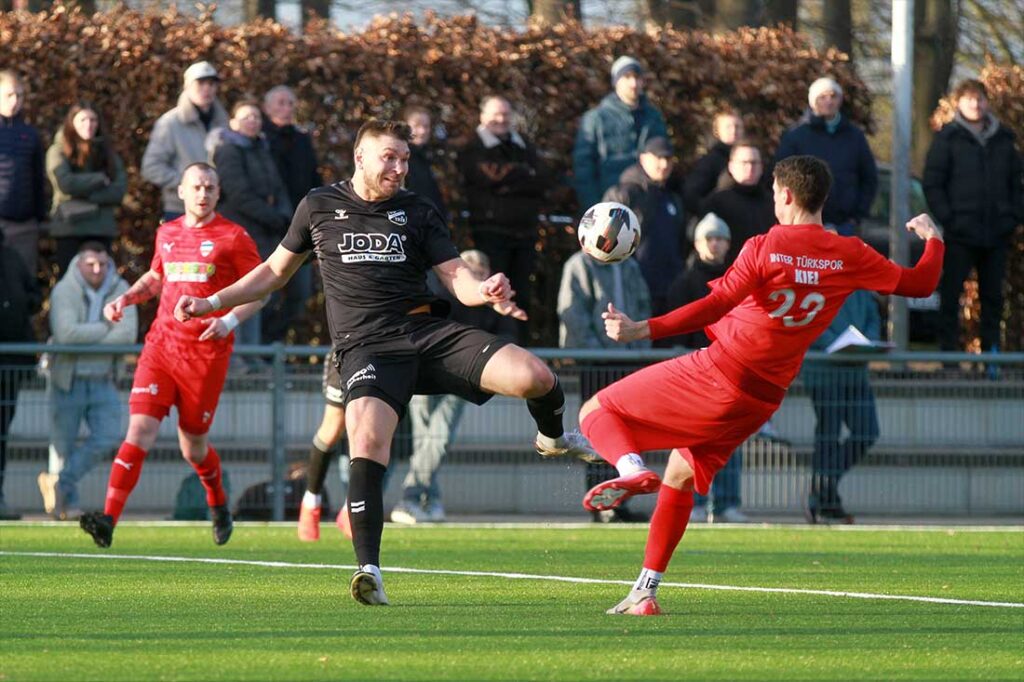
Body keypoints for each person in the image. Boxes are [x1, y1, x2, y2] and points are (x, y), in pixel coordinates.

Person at [174, 119, 596, 606]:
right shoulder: (318, 206)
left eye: (405, 159)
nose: (399, 167)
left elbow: (455, 275)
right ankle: (369, 570)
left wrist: (482, 292)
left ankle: (553, 438)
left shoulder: (417, 210)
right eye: (389, 158)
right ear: (360, 158)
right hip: (367, 348)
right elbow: (272, 272)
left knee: (535, 376)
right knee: (367, 440)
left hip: (426, 333)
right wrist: (211, 303)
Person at [579, 156, 944, 616]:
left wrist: (641, 330)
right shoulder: (847, 252)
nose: (772, 197)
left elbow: (714, 306)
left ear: (787, 195)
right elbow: (921, 282)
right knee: (679, 473)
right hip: (762, 398)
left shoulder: (765, 246)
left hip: (720, 370)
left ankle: (630, 468)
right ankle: (644, 592)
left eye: (774, 190)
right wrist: (933, 240)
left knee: (594, 410)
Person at [78, 163, 264, 548]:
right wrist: (125, 298)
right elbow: (157, 277)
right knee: (139, 429)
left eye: (211, 187)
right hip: (161, 347)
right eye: (197, 186)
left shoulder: (233, 237)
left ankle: (218, 504)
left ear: (218, 192)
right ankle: (109, 518)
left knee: (192, 446)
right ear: (181, 190)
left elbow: (260, 290)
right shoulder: (167, 232)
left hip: (205, 355)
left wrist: (228, 321)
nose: (203, 193)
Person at [392, 249, 504, 524]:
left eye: (481, 270)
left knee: (439, 438)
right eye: (470, 269)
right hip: (426, 369)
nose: (476, 274)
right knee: (424, 440)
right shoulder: (441, 295)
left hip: (462, 377)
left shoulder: (495, 303)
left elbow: (506, 336)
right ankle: (429, 500)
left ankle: (410, 496)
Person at [923, 78, 1023, 355]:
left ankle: (991, 360)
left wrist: (1012, 218)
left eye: (980, 99)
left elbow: (1018, 183)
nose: (976, 104)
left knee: (993, 299)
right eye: (970, 99)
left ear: (987, 102)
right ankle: (949, 358)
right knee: (951, 296)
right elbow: (932, 183)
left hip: (997, 233)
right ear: (959, 103)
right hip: (959, 234)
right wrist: (948, 218)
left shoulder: (1004, 139)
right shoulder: (947, 139)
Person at [40, 242, 136, 520]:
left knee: (108, 438)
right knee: (62, 447)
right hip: (67, 380)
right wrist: (106, 328)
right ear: (78, 264)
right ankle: (64, 508)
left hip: (103, 379)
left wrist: (88, 338)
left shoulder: (119, 289)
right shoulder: (65, 289)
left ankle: (61, 484)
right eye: (91, 264)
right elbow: (66, 335)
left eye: (103, 264)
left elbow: (127, 336)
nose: (97, 270)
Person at [557, 239, 651, 523]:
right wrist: (596, 351)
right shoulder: (578, 265)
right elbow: (573, 313)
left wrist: (638, 349)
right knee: (597, 432)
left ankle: (620, 503)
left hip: (627, 362)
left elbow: (642, 304)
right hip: (597, 363)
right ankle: (601, 504)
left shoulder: (630, 265)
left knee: (627, 431)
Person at [663, 214, 747, 523]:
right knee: (692, 439)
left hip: (732, 370)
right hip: (695, 370)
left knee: (730, 439)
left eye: (720, 238)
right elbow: (676, 329)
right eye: (708, 238)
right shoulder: (683, 283)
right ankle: (695, 502)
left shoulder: (739, 281)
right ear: (697, 243)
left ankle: (727, 504)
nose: (714, 244)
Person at [460, 95, 548, 344]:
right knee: (491, 293)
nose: (500, 120)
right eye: (495, 115)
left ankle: (520, 348)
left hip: (524, 233)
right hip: (490, 232)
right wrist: (521, 175)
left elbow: (541, 177)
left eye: (505, 115)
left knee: (521, 294)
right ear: (482, 117)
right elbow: (487, 177)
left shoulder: (523, 145)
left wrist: (509, 179)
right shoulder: (473, 147)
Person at [208, 100, 292, 357]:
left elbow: (278, 188)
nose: (252, 121)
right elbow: (238, 194)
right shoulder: (228, 150)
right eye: (245, 117)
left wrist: (286, 216)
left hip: (266, 232)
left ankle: (253, 354)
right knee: (245, 292)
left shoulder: (263, 148)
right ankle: (242, 357)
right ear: (232, 122)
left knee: (263, 294)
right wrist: (274, 218)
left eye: (256, 116)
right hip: (241, 230)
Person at [800, 287, 881, 524]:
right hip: (824, 370)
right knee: (829, 432)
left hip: (854, 369)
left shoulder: (862, 288)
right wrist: (837, 344)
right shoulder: (818, 280)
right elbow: (809, 320)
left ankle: (824, 485)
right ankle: (826, 500)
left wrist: (866, 343)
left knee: (867, 431)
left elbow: (873, 317)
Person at [775, 77, 877, 237]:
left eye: (833, 96)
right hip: (806, 222)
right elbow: (783, 177)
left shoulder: (854, 136)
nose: (829, 101)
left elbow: (869, 177)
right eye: (822, 97)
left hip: (846, 225)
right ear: (813, 101)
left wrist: (857, 216)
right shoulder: (795, 136)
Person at [262, 85, 322, 342]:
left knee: (301, 292)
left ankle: (275, 342)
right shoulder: (260, 140)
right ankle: (263, 348)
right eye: (280, 103)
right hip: (269, 225)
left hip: (302, 224)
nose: (286, 109)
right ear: (267, 108)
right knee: (267, 290)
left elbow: (313, 178)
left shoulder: (302, 140)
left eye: (290, 103)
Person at [603, 136, 686, 317]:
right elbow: (605, 243)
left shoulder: (673, 198)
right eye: (658, 158)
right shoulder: (624, 194)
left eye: (668, 159)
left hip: (669, 290)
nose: (664, 164)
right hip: (633, 289)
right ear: (643, 158)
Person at [572, 56, 668, 211]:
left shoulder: (653, 117)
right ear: (616, 81)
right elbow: (584, 169)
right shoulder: (595, 118)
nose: (633, 83)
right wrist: (594, 208)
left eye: (637, 77)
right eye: (627, 77)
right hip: (609, 205)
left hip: (649, 204)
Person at [46, 103, 128, 276]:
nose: (88, 124)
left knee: (101, 282)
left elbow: (119, 191)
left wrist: (82, 194)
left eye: (93, 120)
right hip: (70, 229)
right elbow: (66, 184)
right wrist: (99, 179)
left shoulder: (107, 152)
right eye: (83, 119)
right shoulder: (58, 151)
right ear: (71, 123)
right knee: (69, 282)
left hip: (101, 229)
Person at [142, 61, 229, 222]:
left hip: (218, 209)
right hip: (180, 209)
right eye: (201, 83)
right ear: (187, 86)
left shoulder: (223, 122)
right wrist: (189, 185)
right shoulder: (170, 123)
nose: (207, 89)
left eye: (211, 84)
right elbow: (151, 167)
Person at [0, 228, 41, 520]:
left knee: (2, 435)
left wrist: (24, 304)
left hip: (11, 364)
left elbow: (33, 294)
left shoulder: (13, 258)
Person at [0, 70, 47, 274]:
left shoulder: (30, 134)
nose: (15, 101)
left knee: (23, 281)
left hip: (24, 225)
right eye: (9, 95)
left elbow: (37, 179)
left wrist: (39, 217)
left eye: (19, 95)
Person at [700, 139, 775, 264]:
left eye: (754, 163)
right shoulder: (716, 203)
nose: (750, 168)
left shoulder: (773, 203)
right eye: (744, 163)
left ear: (762, 167)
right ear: (731, 166)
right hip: (729, 274)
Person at [682, 109, 744, 217]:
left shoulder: (752, 157)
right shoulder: (710, 162)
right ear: (717, 131)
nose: (734, 131)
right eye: (728, 127)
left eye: (737, 126)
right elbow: (691, 195)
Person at [403, 105, 447, 220]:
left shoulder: (433, 156)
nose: (422, 131)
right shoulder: (401, 158)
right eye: (416, 126)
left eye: (426, 126)